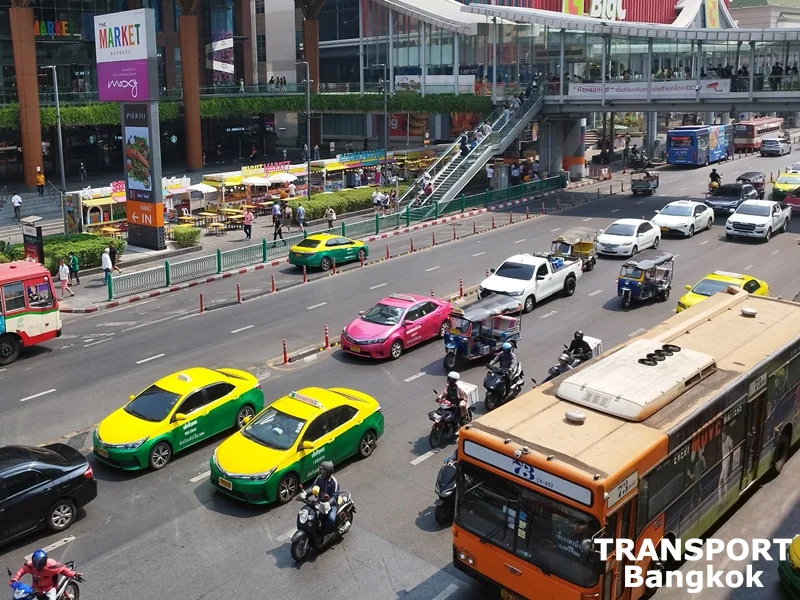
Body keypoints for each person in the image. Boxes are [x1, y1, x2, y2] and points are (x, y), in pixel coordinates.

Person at [11, 549, 81, 600]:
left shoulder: (52, 565)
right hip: (36, 588)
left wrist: (74, 574)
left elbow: (63, 570)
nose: (39, 568)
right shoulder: (30, 565)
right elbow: (22, 570)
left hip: (50, 588)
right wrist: (15, 579)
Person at [312, 461, 340, 533]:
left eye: (322, 471)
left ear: (328, 472)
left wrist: (329, 501)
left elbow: (335, 496)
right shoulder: (319, 478)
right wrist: (306, 494)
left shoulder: (334, 482)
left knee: (331, 520)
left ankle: (326, 534)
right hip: (319, 502)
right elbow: (314, 487)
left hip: (331, 505)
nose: (320, 472)